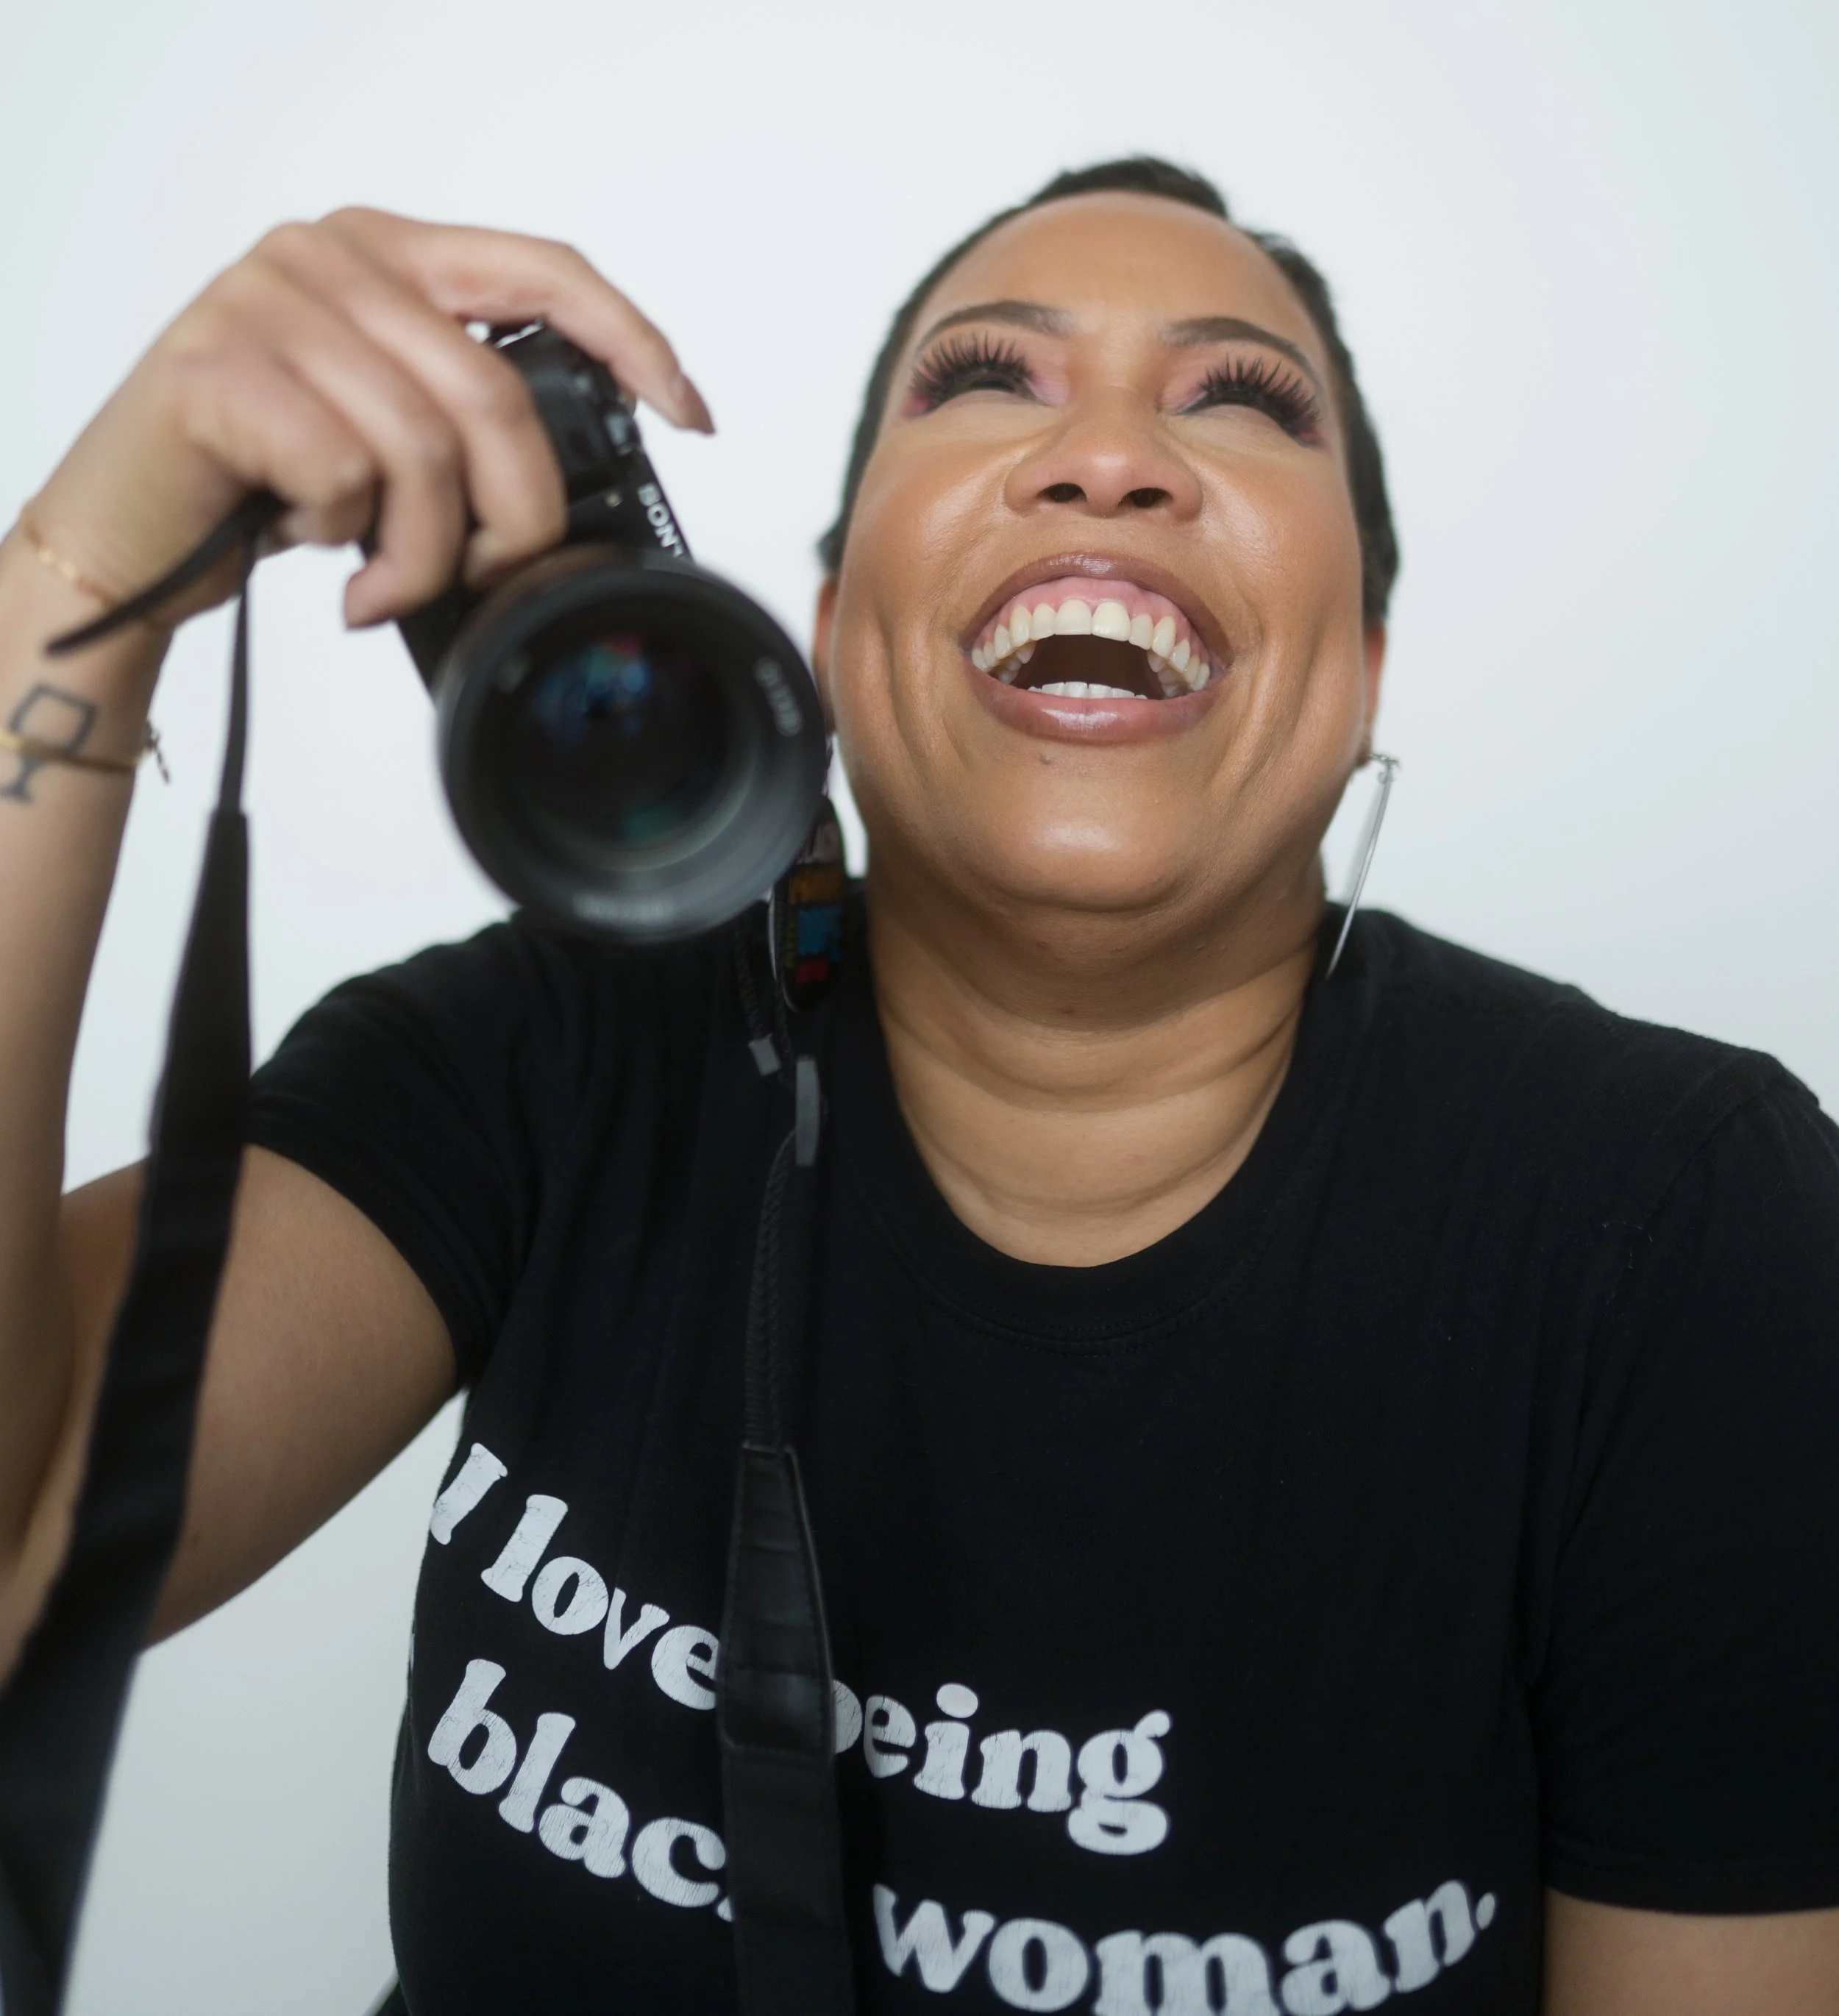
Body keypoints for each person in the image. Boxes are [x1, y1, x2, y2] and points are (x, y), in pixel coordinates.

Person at [1, 156, 1835, 2015]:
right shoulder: (543, 1053)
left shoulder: (1677, 1226)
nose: (1105, 457)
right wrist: (80, 584)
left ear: (1359, 666)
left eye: (1235, 399)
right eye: (984, 381)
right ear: (824, 638)